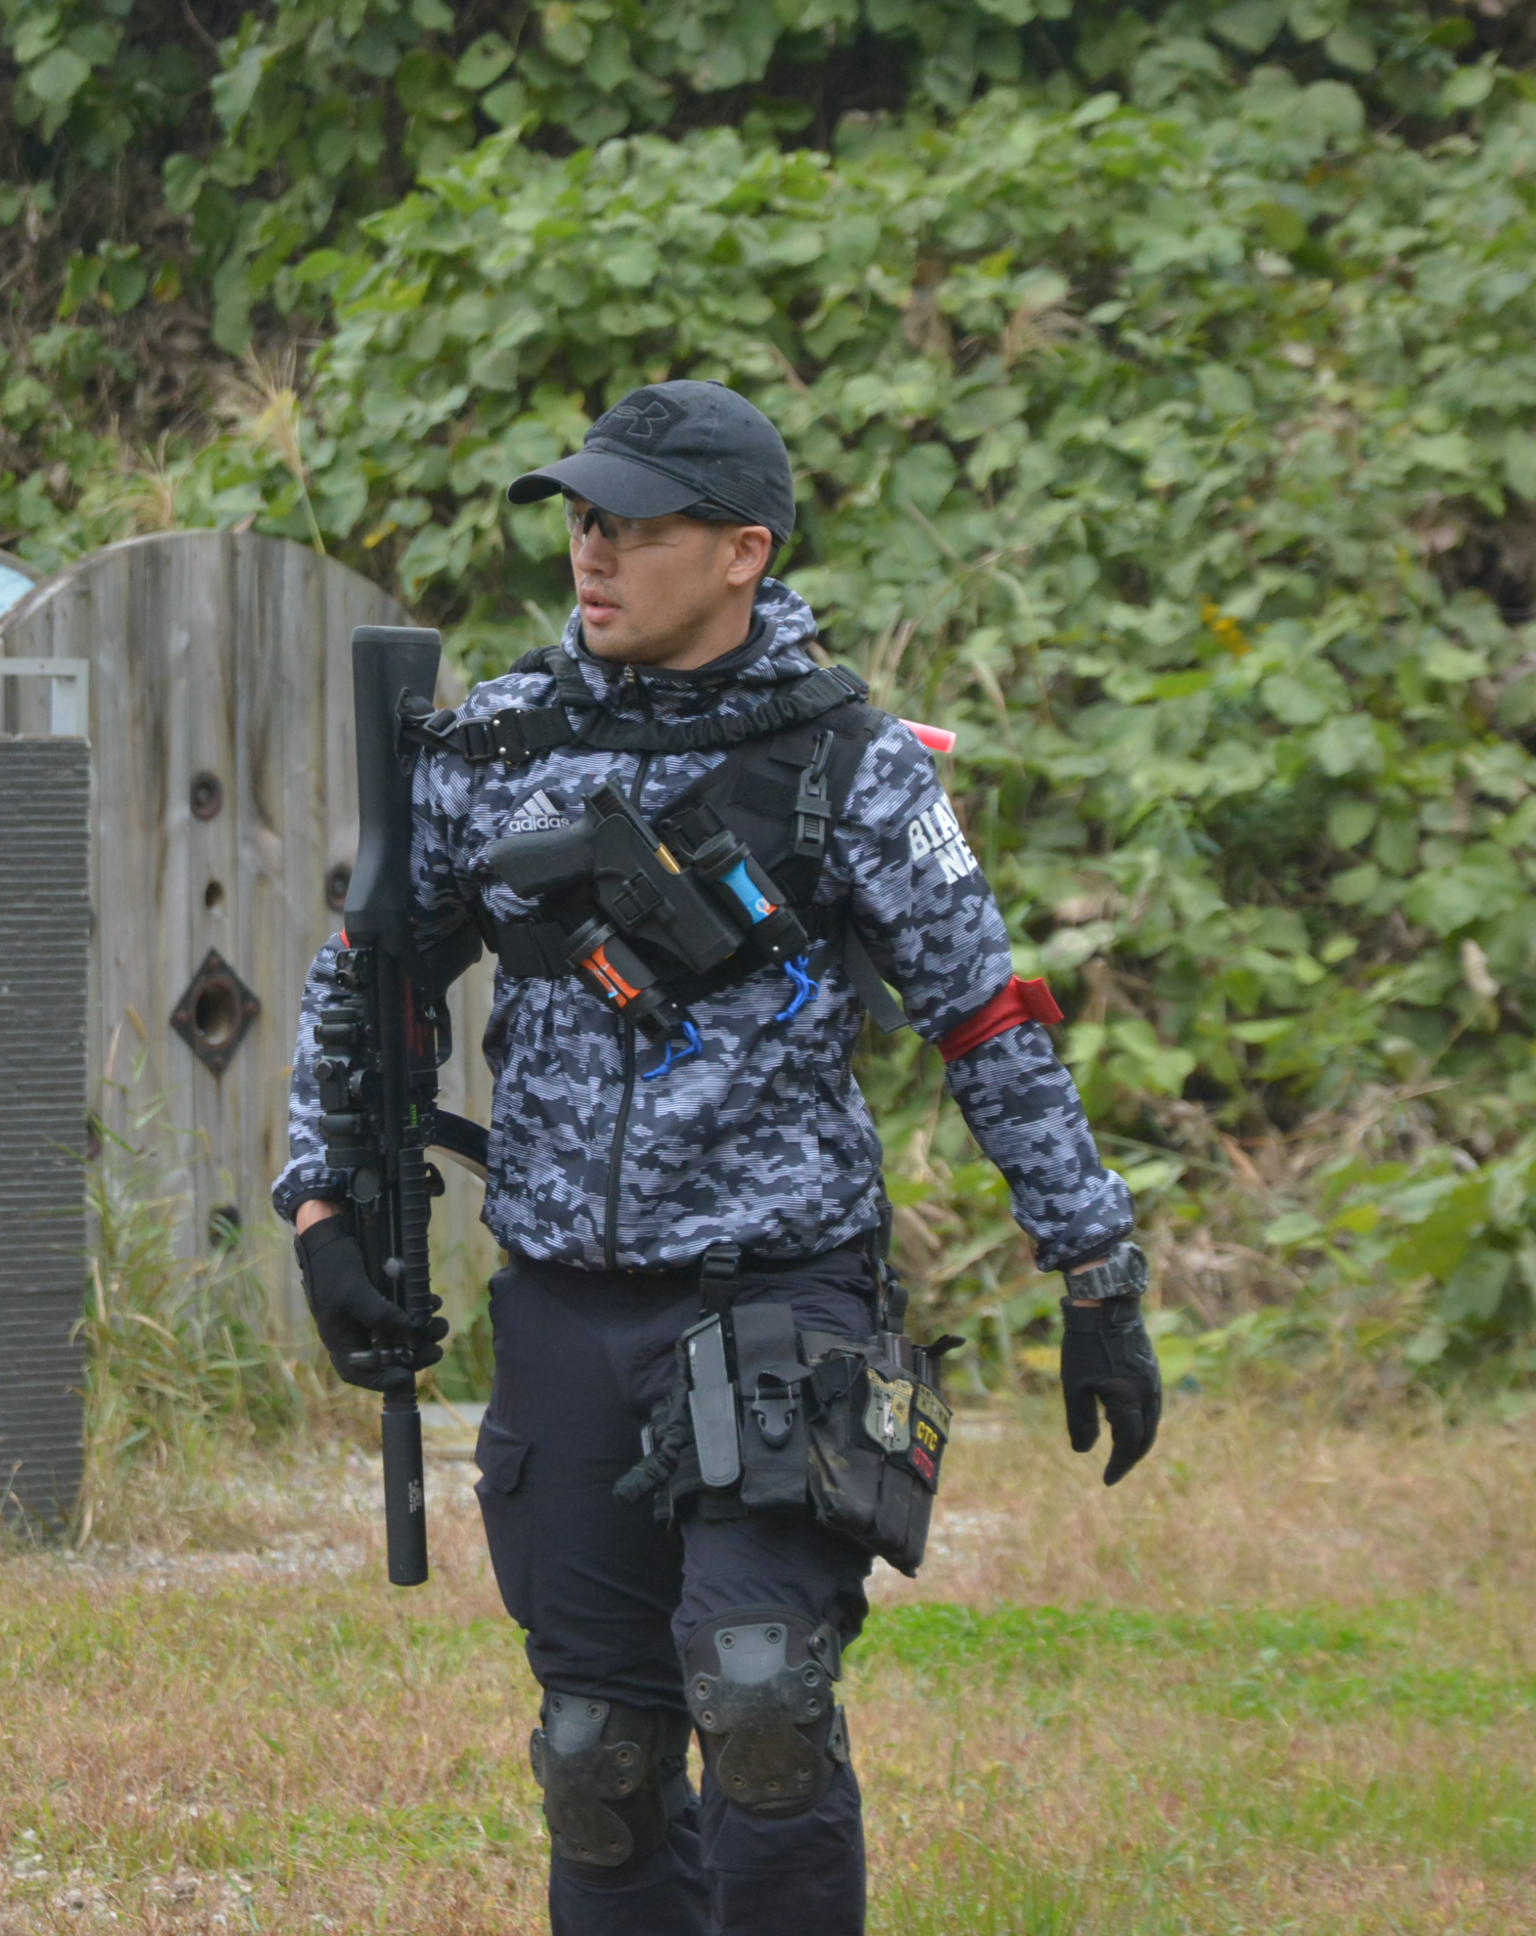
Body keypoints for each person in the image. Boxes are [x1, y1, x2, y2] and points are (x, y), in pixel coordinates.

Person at [274, 379, 1158, 1935]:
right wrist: (324, 1208)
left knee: (760, 1705)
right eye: (581, 520)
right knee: (596, 1755)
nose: (593, 553)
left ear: (744, 551)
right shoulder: (496, 744)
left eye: (635, 526)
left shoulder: (852, 763)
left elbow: (989, 1023)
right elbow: (372, 981)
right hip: (565, 1306)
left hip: (777, 1301)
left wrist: (1097, 1271)